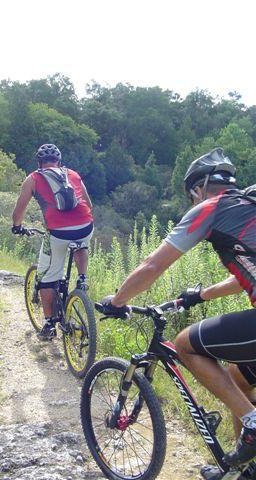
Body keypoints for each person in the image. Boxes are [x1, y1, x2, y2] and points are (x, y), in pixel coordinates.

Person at [98, 147, 256, 480]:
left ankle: (253, 425)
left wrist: (117, 301)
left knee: (184, 344)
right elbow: (243, 276)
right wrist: (200, 295)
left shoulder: (211, 208)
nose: (191, 199)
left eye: (191, 194)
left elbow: (153, 264)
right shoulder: (248, 208)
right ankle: (241, 469)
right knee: (238, 379)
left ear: (200, 188)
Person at [12, 144, 94, 340]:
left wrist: (17, 226)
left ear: (39, 162)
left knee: (46, 278)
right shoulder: (72, 174)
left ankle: (49, 324)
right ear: (59, 161)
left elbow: (19, 210)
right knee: (81, 242)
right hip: (86, 226)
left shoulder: (33, 178)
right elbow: (89, 204)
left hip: (57, 232)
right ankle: (82, 278)